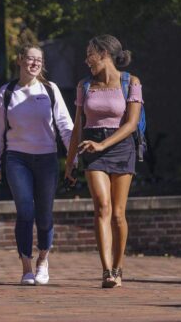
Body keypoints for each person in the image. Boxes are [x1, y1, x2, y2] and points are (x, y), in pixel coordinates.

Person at [0, 45, 74, 285]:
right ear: (20, 60)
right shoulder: (7, 92)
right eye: (30, 59)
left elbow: (65, 126)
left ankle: (43, 260)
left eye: (39, 60)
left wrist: (73, 156)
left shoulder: (50, 90)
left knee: (45, 215)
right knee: (25, 211)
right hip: (17, 159)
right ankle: (26, 266)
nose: (34, 63)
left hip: (47, 158)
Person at [65, 34, 143, 288]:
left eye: (90, 53)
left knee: (118, 214)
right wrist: (70, 160)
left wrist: (104, 144)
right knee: (102, 207)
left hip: (121, 147)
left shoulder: (130, 82)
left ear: (105, 54)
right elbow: (78, 126)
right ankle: (106, 270)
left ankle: (119, 268)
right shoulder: (84, 86)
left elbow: (131, 124)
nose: (87, 59)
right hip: (91, 146)